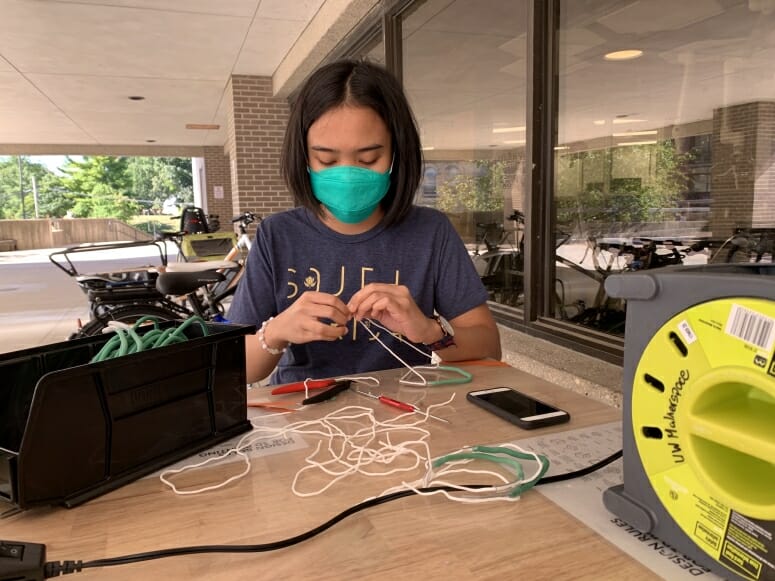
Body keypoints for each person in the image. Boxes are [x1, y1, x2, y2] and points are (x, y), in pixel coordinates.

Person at [228, 59, 501, 385]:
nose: (347, 175)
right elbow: (234, 367)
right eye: (326, 160)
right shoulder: (278, 234)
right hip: (303, 416)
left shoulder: (431, 232)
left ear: (397, 154)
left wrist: (430, 331)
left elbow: (489, 348)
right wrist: (275, 333)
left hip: (407, 419)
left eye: (369, 159)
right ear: (303, 156)